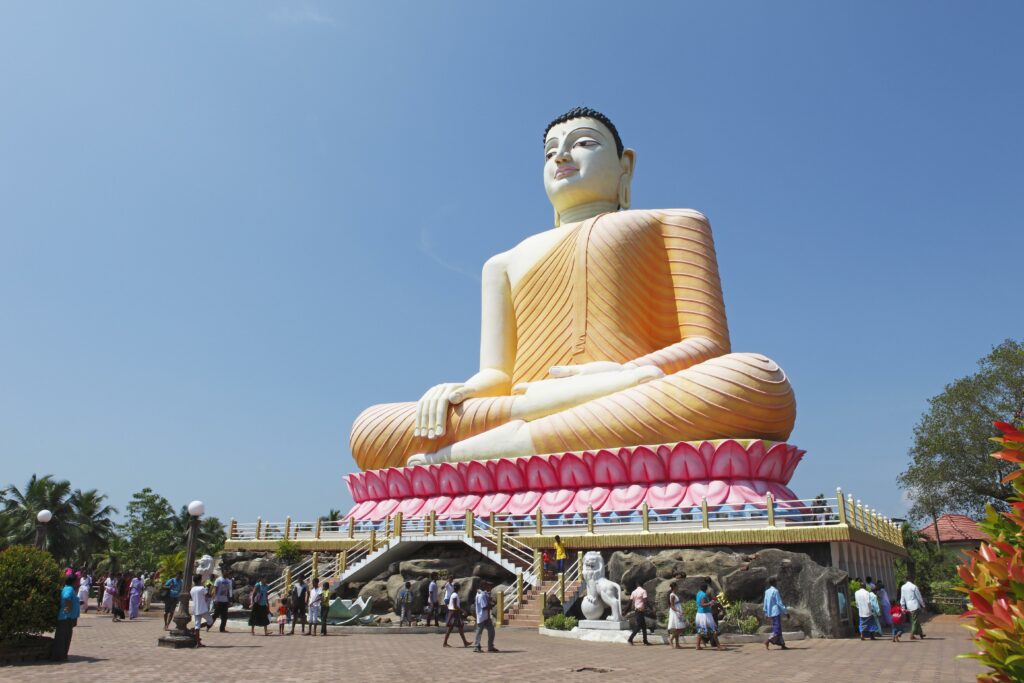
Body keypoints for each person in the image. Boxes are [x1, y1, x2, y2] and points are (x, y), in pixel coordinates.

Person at [350, 107, 796, 474]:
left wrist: (625, 374)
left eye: (583, 143)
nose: (562, 156)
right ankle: (509, 441)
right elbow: (498, 376)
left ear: (626, 166)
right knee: (370, 428)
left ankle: (470, 456)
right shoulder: (504, 262)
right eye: (550, 152)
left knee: (756, 380)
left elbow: (708, 346)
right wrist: (458, 391)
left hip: (637, 390)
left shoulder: (674, 222)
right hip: (549, 403)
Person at [51, 575, 80, 661]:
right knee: (63, 637)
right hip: (66, 617)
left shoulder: (69, 588)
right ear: (73, 581)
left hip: (68, 617)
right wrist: (68, 608)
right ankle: (59, 656)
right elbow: (66, 597)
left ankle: (62, 655)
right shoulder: (69, 589)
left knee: (66, 637)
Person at [762, 577, 789, 650]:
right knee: (777, 630)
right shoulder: (775, 591)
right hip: (776, 612)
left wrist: (766, 612)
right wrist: (786, 612)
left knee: (778, 629)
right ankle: (768, 640)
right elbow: (779, 603)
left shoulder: (767, 591)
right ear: (774, 583)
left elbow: (765, 602)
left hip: (770, 612)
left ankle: (782, 644)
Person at [695, 583, 722, 650]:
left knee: (701, 630)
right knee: (713, 630)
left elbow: (700, 604)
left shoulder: (698, 593)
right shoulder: (704, 594)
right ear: (706, 589)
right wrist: (710, 603)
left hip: (699, 613)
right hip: (705, 614)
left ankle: (697, 646)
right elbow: (702, 604)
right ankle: (718, 646)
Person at [473, 582, 498, 653]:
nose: (489, 587)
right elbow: (484, 607)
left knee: (491, 631)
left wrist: (490, 599)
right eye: (488, 586)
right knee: (479, 632)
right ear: (484, 586)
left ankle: (490, 647)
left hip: (485, 616)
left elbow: (488, 597)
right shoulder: (481, 595)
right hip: (482, 616)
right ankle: (476, 647)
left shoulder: (483, 593)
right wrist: (492, 605)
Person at [627, 581, 650, 646]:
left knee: (644, 626)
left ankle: (645, 641)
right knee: (639, 626)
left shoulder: (633, 592)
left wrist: (626, 611)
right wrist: (650, 608)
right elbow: (646, 601)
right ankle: (630, 639)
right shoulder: (643, 591)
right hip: (641, 610)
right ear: (642, 585)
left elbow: (630, 602)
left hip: (637, 610)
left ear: (636, 585)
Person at [190, 574, 211, 643]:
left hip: (196, 609)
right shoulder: (202, 588)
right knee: (210, 621)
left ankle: (198, 642)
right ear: (199, 580)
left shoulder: (192, 589)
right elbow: (208, 595)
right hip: (203, 609)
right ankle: (194, 630)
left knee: (197, 625)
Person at [666, 582, 684, 649]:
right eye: (677, 586)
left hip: (677, 611)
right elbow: (672, 606)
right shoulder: (672, 595)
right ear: (674, 587)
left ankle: (677, 644)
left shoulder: (674, 594)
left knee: (678, 628)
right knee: (679, 628)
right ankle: (671, 639)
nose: (678, 587)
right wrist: (678, 611)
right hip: (675, 612)